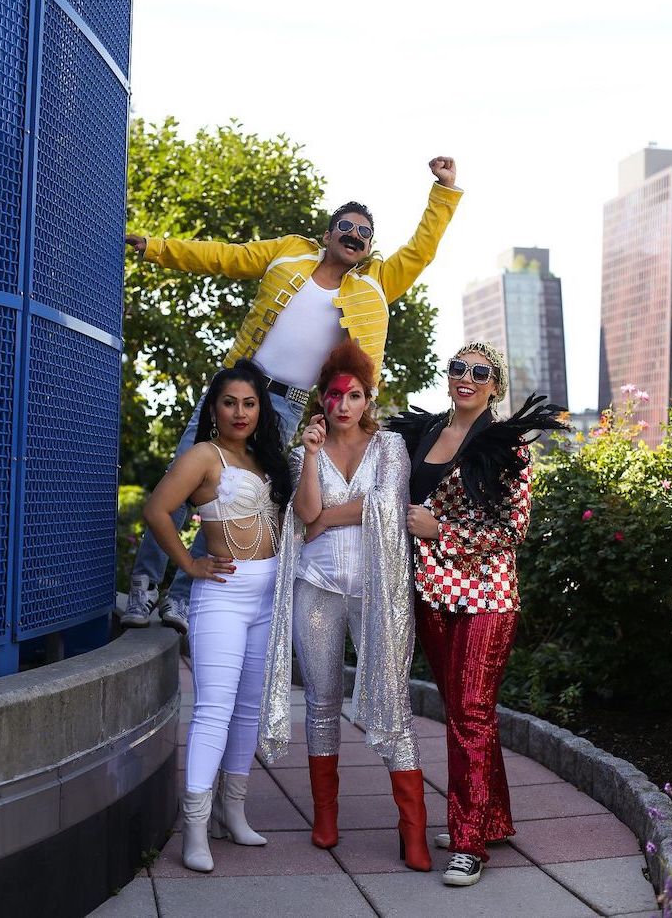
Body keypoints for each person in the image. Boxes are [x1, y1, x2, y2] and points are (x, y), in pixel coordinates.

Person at [123, 157, 462, 634]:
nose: (353, 235)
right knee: (182, 479)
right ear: (327, 234)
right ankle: (143, 585)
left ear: (367, 247)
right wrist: (157, 247)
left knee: (232, 500)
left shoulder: (375, 283)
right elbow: (225, 256)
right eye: (345, 226)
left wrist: (443, 191)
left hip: (286, 405)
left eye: (363, 233)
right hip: (240, 382)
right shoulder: (288, 253)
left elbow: (422, 249)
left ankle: (182, 597)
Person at [392, 342, 568, 887]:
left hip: (486, 596)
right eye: (458, 368)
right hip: (431, 592)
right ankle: (489, 819)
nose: (465, 377)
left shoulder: (508, 448)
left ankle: (468, 844)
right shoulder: (422, 435)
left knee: (470, 711)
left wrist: (441, 531)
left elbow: (514, 529)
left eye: (480, 372)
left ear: (496, 385)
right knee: (466, 714)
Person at [259, 341, 432, 872]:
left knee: (392, 699)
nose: (343, 405)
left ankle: (414, 830)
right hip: (317, 586)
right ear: (322, 400)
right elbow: (304, 508)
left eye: (353, 395)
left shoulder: (390, 447)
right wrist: (311, 457)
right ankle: (326, 815)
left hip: (378, 592)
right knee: (322, 702)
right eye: (334, 395)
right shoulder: (301, 451)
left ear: (366, 398)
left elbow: (387, 505)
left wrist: (327, 520)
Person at [142, 360, 291, 873]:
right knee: (213, 710)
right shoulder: (204, 456)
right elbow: (158, 510)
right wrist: (188, 564)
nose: (240, 412)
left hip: (267, 598)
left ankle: (234, 812)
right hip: (222, 596)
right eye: (230, 402)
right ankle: (195, 827)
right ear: (214, 407)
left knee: (248, 709)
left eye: (250, 403)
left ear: (260, 409)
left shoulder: (263, 458)